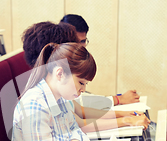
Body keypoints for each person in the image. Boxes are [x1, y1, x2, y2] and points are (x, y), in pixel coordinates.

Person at [21, 21, 150, 132]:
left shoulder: (57, 87)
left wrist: (124, 114)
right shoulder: (44, 93)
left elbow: (80, 111)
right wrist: (126, 120)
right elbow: (79, 124)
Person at [60, 14, 139, 105]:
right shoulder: (57, 65)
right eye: (81, 82)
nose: (80, 47)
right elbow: (78, 105)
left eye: (83, 41)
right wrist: (118, 99)